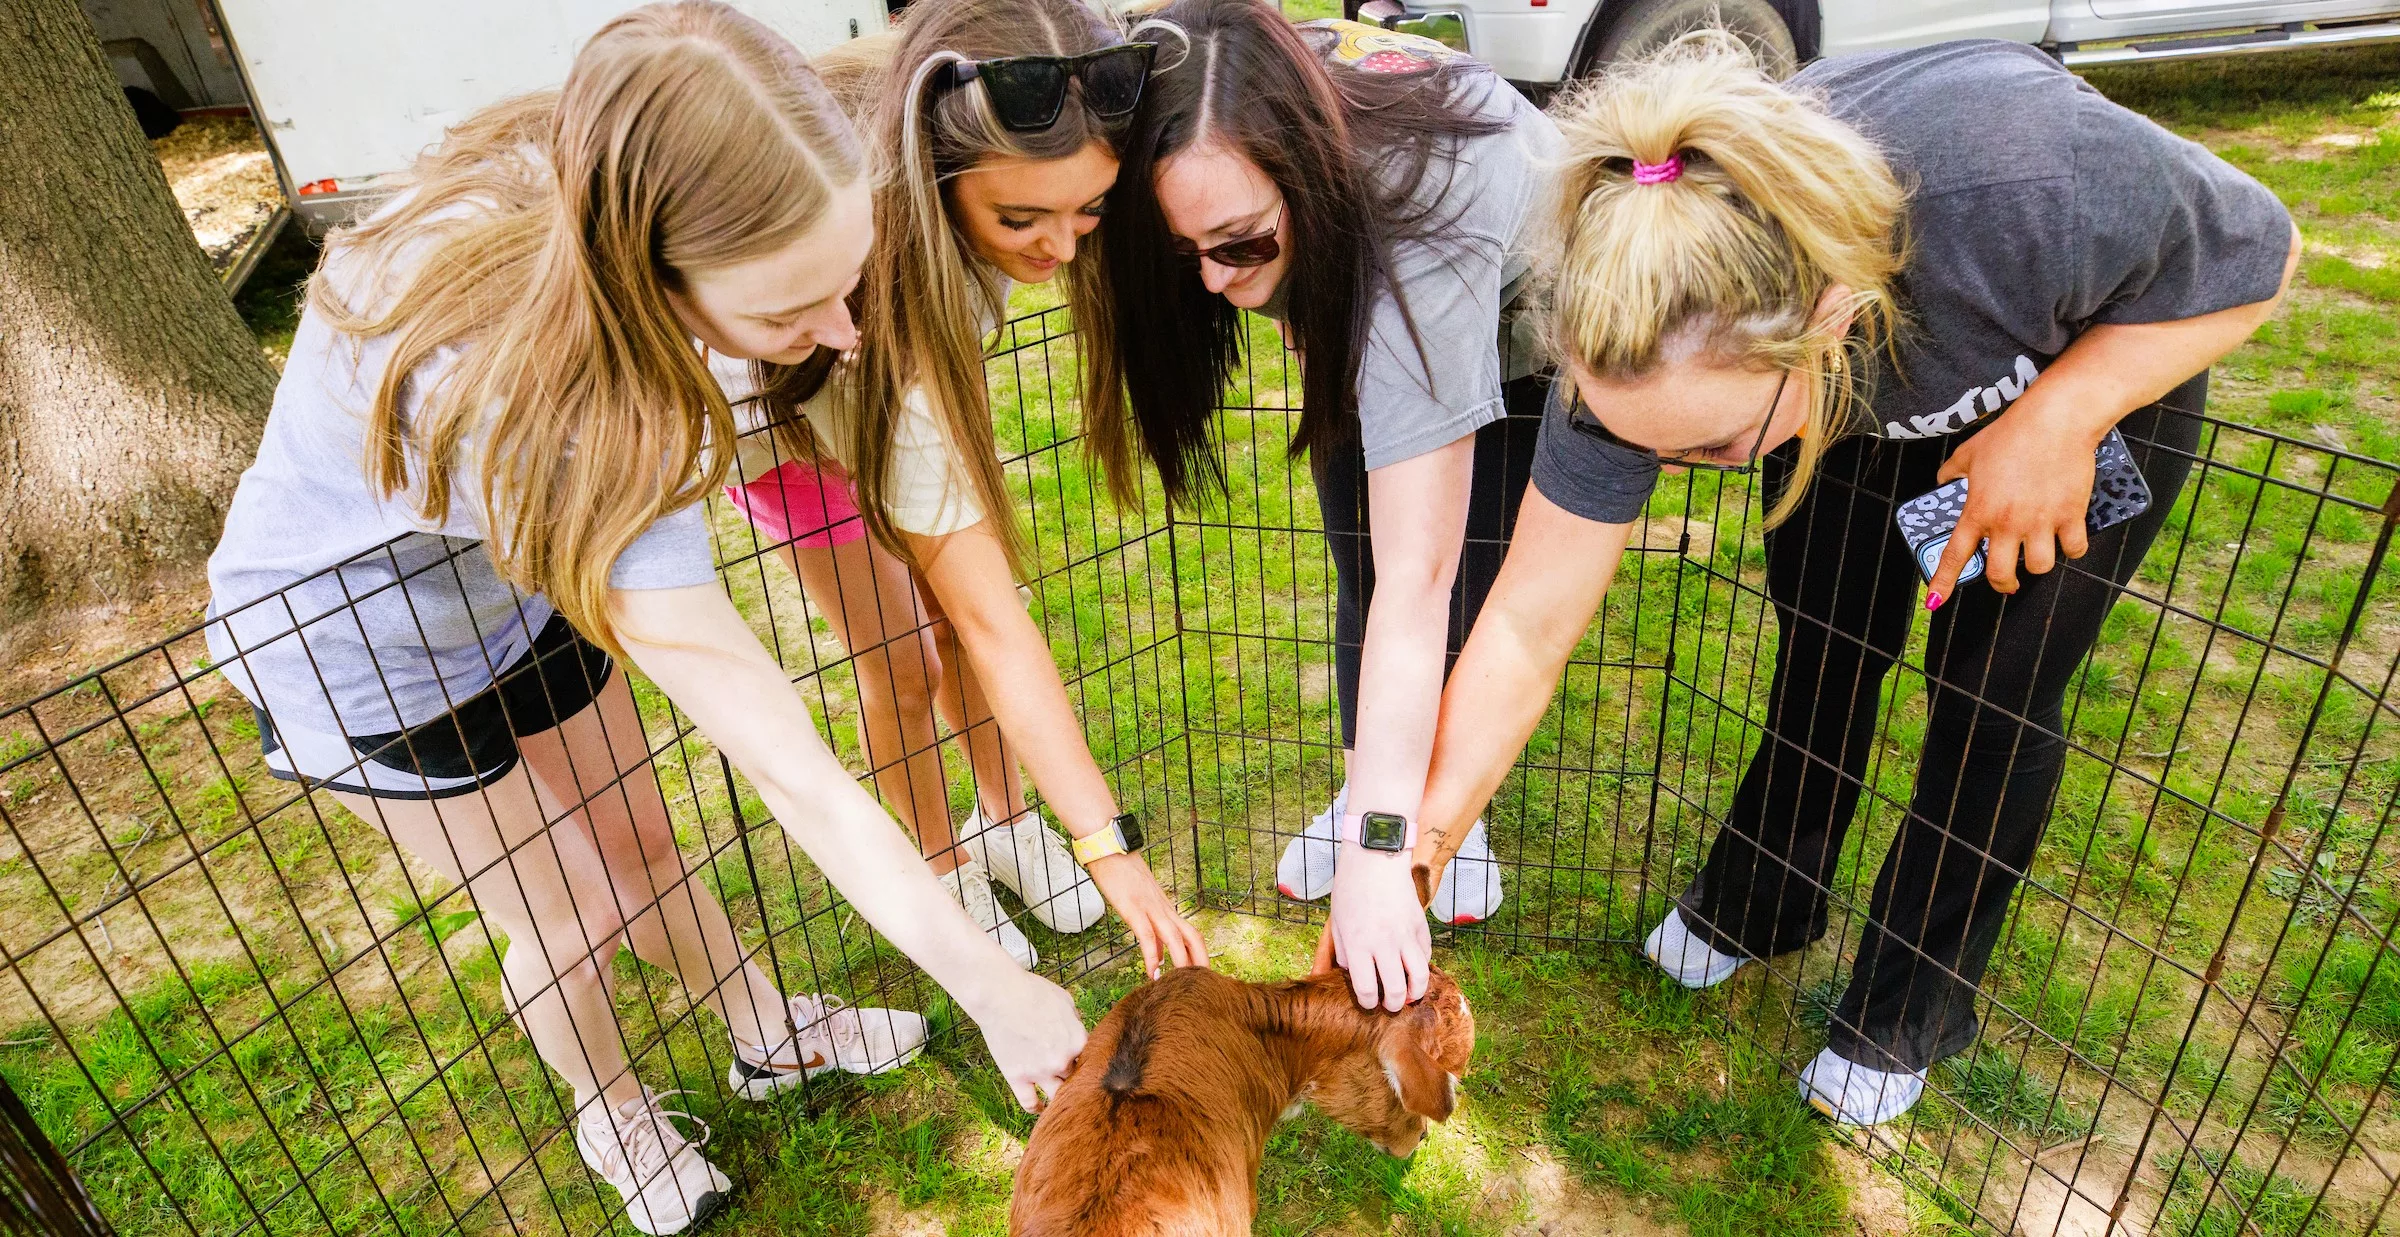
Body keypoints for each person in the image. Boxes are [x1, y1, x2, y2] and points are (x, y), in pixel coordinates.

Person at [202, 6, 1085, 1232]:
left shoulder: (622, 174)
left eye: (844, 287)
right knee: (573, 910)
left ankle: (766, 1030)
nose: (838, 337)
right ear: (650, 269)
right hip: (353, 654)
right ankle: (610, 1106)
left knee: (649, 849)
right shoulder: (552, 406)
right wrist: (992, 987)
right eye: (790, 314)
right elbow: (787, 761)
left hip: (517, 588)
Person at [1408, 35, 2300, 1123]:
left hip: (2087, 369)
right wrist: (1413, 856)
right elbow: (1525, 629)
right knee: (1825, 632)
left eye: (1709, 452)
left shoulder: (2030, 181)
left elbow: (2262, 252)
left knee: (1992, 699)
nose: (1673, 478)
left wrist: (2061, 418)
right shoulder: (1636, 322)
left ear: (1823, 320)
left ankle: (1905, 1004)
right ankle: (1762, 898)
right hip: (1841, 400)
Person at [1089, 0, 1558, 1012]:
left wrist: (1387, 855)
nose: (1214, 285)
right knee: (1360, 547)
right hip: (1363, 267)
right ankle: (1371, 788)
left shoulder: (1422, 216)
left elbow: (1419, 577)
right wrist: (1277, 272)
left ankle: (1442, 816)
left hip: (1525, 321)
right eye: (1184, 254)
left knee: (1446, 569)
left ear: (1306, 171)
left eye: (1240, 245)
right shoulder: (1211, 97)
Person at [725, 0, 1209, 978]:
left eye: (1090, 211)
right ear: (936, 172)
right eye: (1019, 218)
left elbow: (981, 614)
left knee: (961, 624)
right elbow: (995, 614)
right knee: (901, 654)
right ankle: (946, 865)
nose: (1062, 250)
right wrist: (1109, 843)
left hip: (903, 379)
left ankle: (1009, 823)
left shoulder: (971, 224)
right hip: (781, 424)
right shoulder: (874, 305)